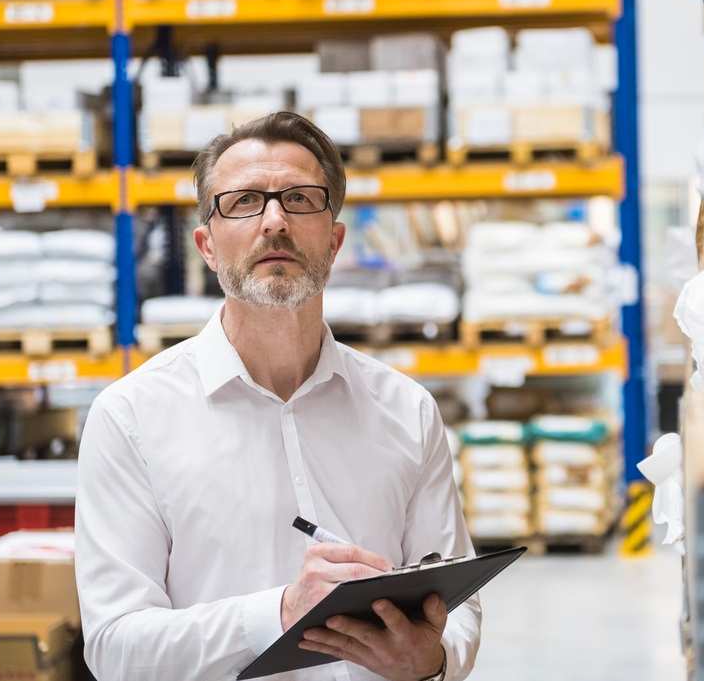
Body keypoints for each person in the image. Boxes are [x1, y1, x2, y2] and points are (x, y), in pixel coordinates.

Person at [75, 112, 479, 681]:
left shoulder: (407, 411)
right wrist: (280, 613)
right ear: (207, 246)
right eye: (242, 201)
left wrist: (434, 660)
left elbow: (457, 608)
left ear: (335, 241)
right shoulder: (132, 418)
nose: (274, 221)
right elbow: (115, 647)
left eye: (299, 198)